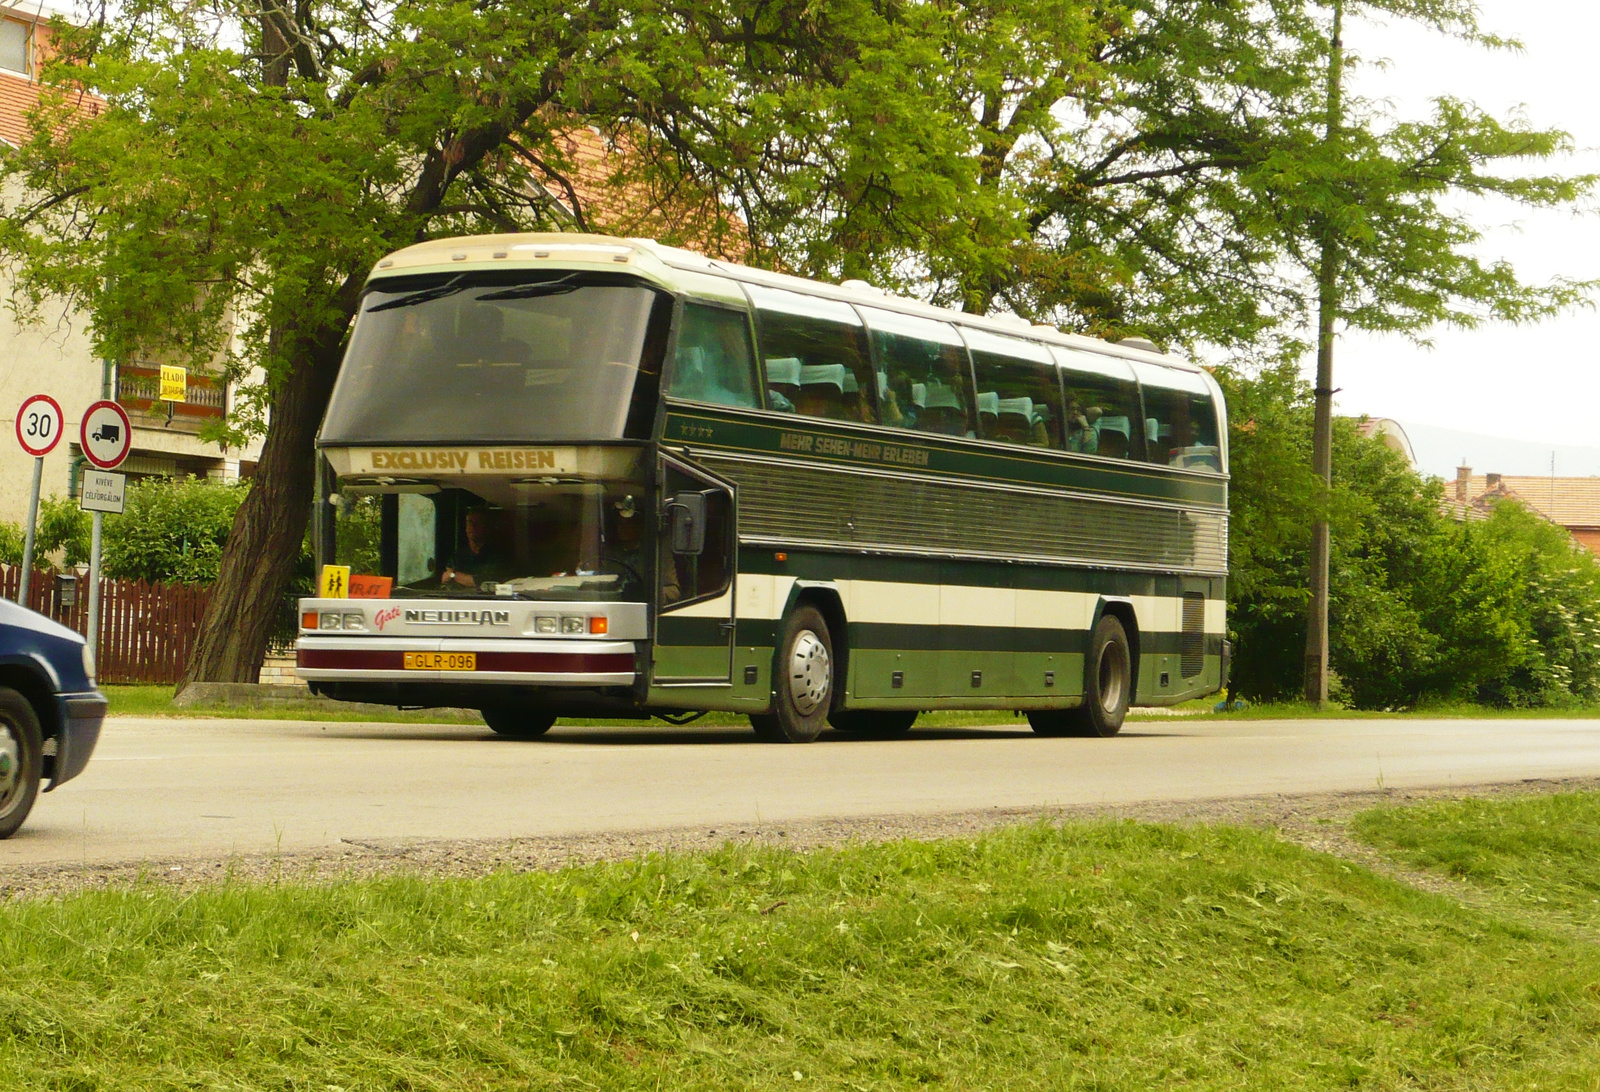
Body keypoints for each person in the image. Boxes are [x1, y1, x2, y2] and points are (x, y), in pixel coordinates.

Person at [441, 508, 501, 588]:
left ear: (486, 528)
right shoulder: (457, 556)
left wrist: (453, 575)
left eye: (478, 523)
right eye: (469, 522)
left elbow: (482, 581)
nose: (473, 526)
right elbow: (446, 579)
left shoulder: (496, 556)